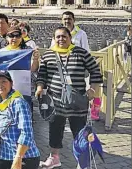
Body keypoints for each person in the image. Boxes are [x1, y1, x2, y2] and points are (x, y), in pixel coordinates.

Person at [36, 27, 102, 169]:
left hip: (77, 101)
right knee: (55, 130)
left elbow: (95, 71)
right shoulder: (48, 55)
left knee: (79, 132)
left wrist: (93, 89)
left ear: (70, 38)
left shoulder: (81, 53)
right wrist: (40, 87)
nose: (61, 39)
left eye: (64, 36)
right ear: (54, 39)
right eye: (58, 37)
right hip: (56, 101)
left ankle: (82, 162)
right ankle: (54, 158)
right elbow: (42, 74)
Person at [0, 71, 40, 169]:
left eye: (4, 81)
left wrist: (18, 158)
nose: (0, 85)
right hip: (6, 156)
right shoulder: (2, 102)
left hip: (24, 158)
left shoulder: (18, 103)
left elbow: (27, 133)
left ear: (11, 83)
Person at [0, 26, 40, 110]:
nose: (14, 38)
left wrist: (35, 59)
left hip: (23, 92)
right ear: (6, 37)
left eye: (17, 35)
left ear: (21, 38)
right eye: (11, 35)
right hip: (5, 92)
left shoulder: (27, 51)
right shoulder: (1, 52)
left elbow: (33, 69)